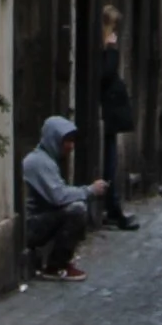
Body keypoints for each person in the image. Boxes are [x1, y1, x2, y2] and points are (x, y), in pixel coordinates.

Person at [21, 113, 102, 278]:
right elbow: (59, 196)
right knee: (77, 209)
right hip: (30, 225)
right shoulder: (38, 162)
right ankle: (56, 266)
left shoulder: (47, 160)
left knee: (76, 206)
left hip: (37, 220)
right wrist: (89, 190)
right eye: (67, 141)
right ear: (54, 139)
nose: (71, 146)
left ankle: (58, 262)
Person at [97, 11, 137, 231]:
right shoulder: (106, 48)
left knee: (111, 161)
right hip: (108, 112)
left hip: (111, 113)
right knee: (109, 162)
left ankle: (112, 206)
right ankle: (111, 208)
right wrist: (111, 50)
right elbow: (106, 73)